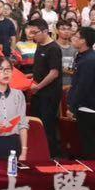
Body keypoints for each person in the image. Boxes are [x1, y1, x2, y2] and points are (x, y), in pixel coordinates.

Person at [25, 18, 62, 157]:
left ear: (45, 31)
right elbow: (40, 69)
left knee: (47, 125)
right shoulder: (39, 45)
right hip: (38, 92)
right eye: (31, 32)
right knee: (36, 124)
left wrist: (38, 86)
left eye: (35, 32)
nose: (33, 36)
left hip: (49, 94)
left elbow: (54, 73)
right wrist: (30, 77)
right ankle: (38, 153)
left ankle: (51, 155)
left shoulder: (53, 48)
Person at [67, 27, 95, 159]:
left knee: (89, 144)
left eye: (76, 36)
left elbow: (82, 86)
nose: (72, 38)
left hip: (88, 108)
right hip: (84, 106)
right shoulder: (82, 56)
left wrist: (72, 107)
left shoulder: (89, 60)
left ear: (83, 41)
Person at [56, 20, 77, 86]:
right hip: (56, 85)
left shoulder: (75, 47)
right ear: (57, 31)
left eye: (68, 29)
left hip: (72, 84)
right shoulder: (52, 47)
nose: (66, 31)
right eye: (63, 29)